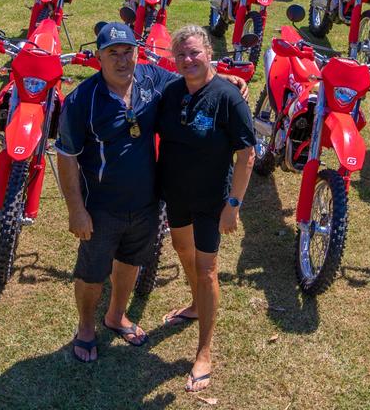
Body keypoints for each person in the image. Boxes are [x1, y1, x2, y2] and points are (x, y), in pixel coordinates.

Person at [55, 22, 171, 363]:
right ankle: (86, 326)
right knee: (92, 271)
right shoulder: (82, 101)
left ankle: (116, 315)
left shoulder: (151, 80)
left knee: (131, 261)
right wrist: (76, 210)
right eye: (113, 54)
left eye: (128, 52)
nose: (122, 61)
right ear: (99, 58)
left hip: (147, 202)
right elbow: (66, 157)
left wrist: (225, 82)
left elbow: (193, 81)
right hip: (102, 207)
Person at [156, 25, 256, 393]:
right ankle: (197, 303)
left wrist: (233, 204)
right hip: (176, 194)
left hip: (212, 199)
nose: (187, 60)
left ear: (210, 53)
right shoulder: (171, 91)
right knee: (183, 251)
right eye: (180, 55)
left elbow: (247, 154)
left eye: (194, 53)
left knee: (207, 268)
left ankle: (204, 352)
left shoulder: (229, 98)